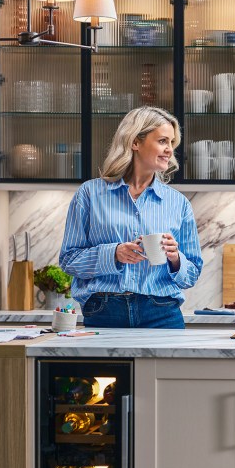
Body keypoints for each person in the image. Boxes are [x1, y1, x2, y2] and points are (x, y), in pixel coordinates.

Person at [59, 106, 203, 329]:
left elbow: (191, 274)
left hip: (162, 312)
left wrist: (175, 259)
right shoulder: (89, 195)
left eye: (171, 144)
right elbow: (69, 261)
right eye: (163, 141)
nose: (169, 151)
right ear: (135, 142)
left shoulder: (178, 203)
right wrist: (114, 254)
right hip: (104, 310)